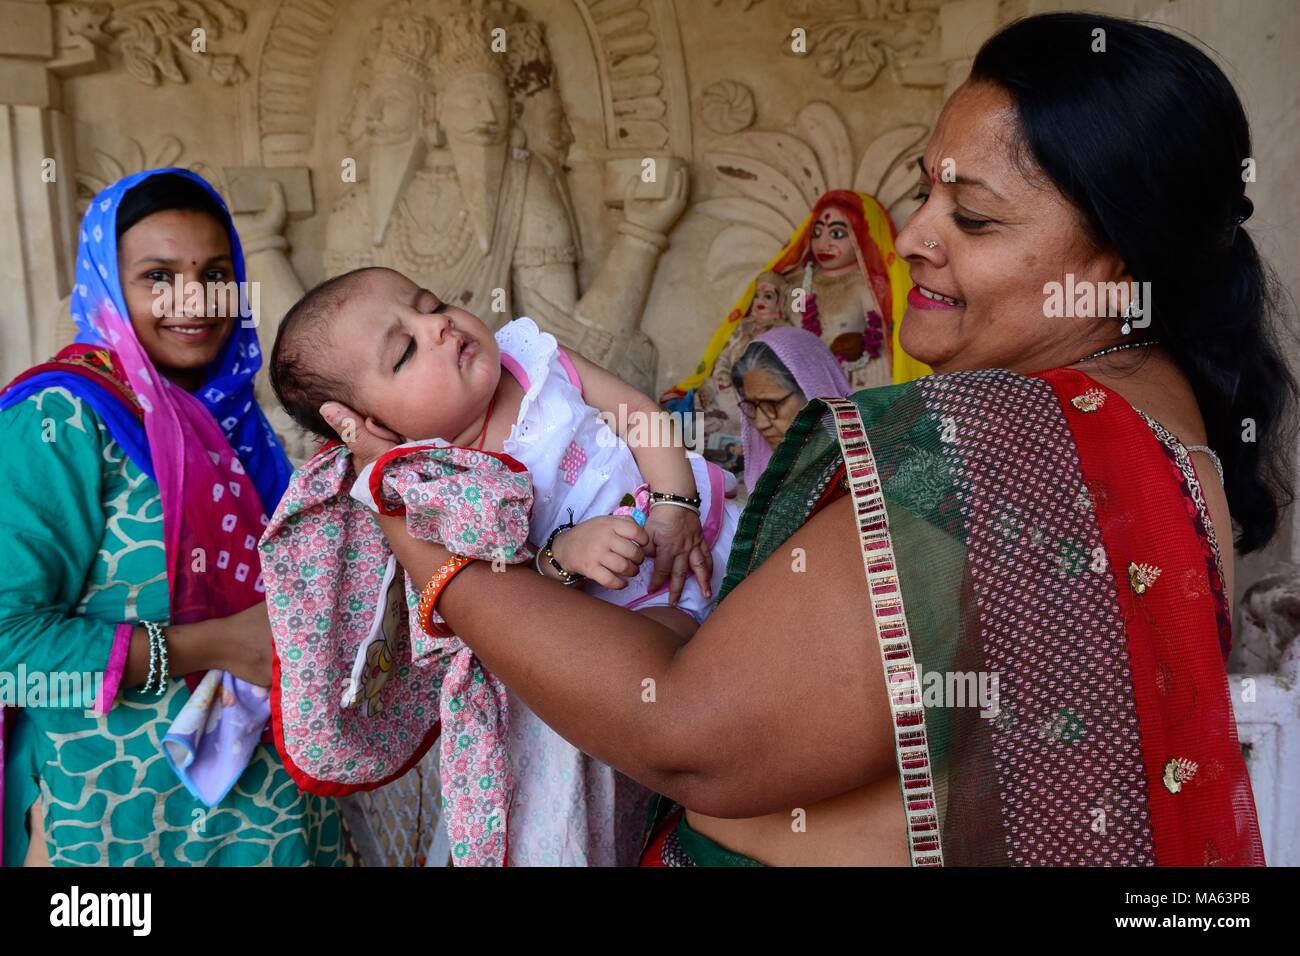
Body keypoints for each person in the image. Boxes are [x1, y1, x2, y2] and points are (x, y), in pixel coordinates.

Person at [324, 12, 1283, 866]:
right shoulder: (1167, 429)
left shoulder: (997, 437)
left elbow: (687, 732)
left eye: (975, 217)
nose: (910, 238)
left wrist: (427, 539)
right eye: (927, 191)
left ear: (1117, 258)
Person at [267, 266, 740, 864]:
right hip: (620, 612)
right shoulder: (438, 481)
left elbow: (637, 414)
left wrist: (675, 505)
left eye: (430, 303)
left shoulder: (530, 359)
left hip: (691, 530)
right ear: (372, 427)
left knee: (754, 610)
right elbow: (506, 592)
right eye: (406, 349)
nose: (437, 325)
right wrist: (560, 559)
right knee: (676, 683)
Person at [0, 169, 347, 866]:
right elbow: (11, 651)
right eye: (158, 276)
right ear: (106, 284)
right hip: (123, 831)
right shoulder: (61, 418)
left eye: (215, 273)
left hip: (282, 823)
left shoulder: (237, 421)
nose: (194, 301)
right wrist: (214, 645)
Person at [731, 326, 852, 492]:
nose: (760, 423)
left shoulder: (863, 471)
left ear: (814, 392)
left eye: (773, 404)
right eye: (752, 406)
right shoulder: (768, 481)